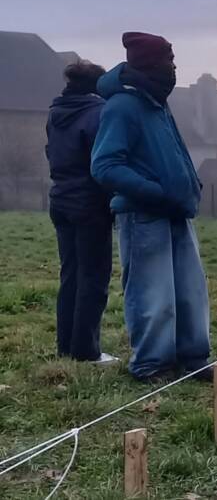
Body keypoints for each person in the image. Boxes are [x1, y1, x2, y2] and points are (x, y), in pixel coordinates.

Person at [91, 32, 212, 383]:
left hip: (177, 211)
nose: (174, 67)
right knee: (153, 294)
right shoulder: (122, 106)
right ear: (150, 64)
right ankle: (152, 365)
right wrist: (156, 192)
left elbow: (171, 153)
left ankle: (192, 358)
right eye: (169, 60)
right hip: (144, 215)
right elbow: (105, 165)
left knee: (190, 291)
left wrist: (189, 185)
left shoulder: (157, 103)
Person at [45, 61, 116, 364]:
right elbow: (101, 161)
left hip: (60, 200)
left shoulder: (55, 113)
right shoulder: (97, 114)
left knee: (70, 275)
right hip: (89, 205)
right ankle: (86, 351)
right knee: (94, 278)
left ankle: (66, 347)